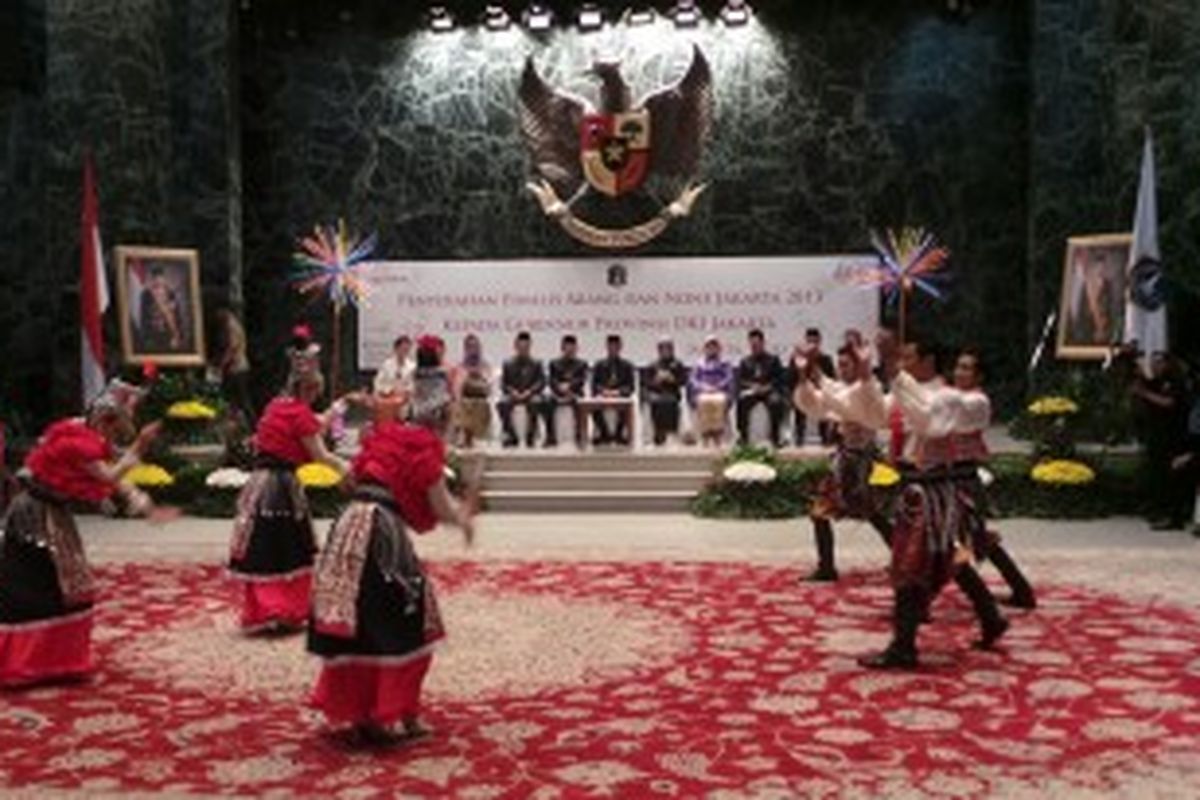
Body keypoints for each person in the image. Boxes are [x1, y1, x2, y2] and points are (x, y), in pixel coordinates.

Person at [308, 354, 474, 745]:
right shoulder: (426, 447)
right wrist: (463, 518)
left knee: (359, 622)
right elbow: (440, 507)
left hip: (349, 525)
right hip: (381, 530)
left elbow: (350, 482)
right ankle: (392, 713)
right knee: (407, 621)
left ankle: (361, 714)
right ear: (441, 419)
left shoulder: (385, 437)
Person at [1, 380, 169, 688]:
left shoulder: (80, 428)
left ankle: (53, 661)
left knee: (64, 585)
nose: (116, 435)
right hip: (37, 515)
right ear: (105, 420)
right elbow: (109, 474)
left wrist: (142, 503)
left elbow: (112, 469)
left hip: (50, 513)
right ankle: (27, 662)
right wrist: (139, 447)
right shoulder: (78, 443)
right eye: (117, 427)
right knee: (41, 584)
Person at [859, 342, 1010, 670]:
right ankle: (989, 617)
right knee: (950, 558)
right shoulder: (914, 394)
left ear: (928, 361)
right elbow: (869, 413)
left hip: (936, 493)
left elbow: (930, 420)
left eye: (908, 357)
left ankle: (904, 645)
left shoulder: (958, 399)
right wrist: (862, 377)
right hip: (919, 490)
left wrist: (895, 374)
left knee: (915, 563)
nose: (903, 363)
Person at [228, 326, 351, 633]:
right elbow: (320, 454)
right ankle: (282, 607)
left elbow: (303, 427)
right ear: (308, 389)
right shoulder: (300, 414)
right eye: (315, 392)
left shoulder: (275, 406)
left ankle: (262, 609)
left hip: (259, 483)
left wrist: (331, 414)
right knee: (286, 546)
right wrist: (349, 468)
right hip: (281, 485)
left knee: (263, 545)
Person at [793, 343, 892, 582]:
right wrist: (806, 369)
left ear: (858, 366)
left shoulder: (868, 390)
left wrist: (819, 377)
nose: (842, 369)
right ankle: (826, 566)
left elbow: (842, 399)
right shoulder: (841, 389)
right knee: (821, 513)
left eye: (847, 364)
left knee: (875, 514)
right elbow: (818, 396)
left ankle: (905, 560)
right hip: (845, 461)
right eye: (840, 365)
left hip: (864, 464)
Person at [1132, 351, 1191, 529]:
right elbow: (1145, 383)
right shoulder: (1157, 381)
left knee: (1170, 477)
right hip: (1157, 436)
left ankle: (1174, 517)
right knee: (1157, 476)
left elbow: (1169, 402)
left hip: (1173, 437)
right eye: (1153, 363)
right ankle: (1158, 511)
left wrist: (1144, 393)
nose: (1155, 366)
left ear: (1167, 364)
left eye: (1158, 363)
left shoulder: (1175, 381)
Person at [736, 329, 787, 448]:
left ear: (763, 343)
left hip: (769, 391)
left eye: (757, 344)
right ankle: (743, 437)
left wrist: (767, 387)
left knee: (776, 402)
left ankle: (775, 437)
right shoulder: (745, 361)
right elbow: (741, 380)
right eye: (752, 344)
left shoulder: (773, 360)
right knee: (741, 402)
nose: (754, 347)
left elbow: (779, 379)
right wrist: (751, 386)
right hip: (752, 391)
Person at [497, 331, 546, 448]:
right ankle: (510, 434)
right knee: (502, 403)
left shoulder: (537, 363)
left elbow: (541, 382)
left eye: (526, 347)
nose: (523, 349)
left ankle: (531, 435)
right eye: (521, 347)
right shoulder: (508, 363)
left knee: (536, 402)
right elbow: (503, 383)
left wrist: (529, 392)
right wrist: (512, 391)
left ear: (530, 346)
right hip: (514, 395)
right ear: (516, 346)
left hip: (530, 394)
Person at [789, 328, 836, 446]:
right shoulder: (797, 359)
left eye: (815, 342)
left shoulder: (826, 360)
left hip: (820, 392)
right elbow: (790, 379)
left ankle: (825, 438)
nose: (812, 346)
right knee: (800, 400)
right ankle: (799, 438)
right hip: (803, 393)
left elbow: (832, 379)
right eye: (809, 342)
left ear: (819, 342)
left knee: (824, 400)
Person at [542, 334, 588, 448]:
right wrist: (559, 389)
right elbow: (551, 381)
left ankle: (579, 436)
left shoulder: (582, 364)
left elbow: (581, 381)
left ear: (576, 348)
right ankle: (550, 436)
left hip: (575, 393)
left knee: (580, 403)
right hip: (557, 393)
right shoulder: (554, 363)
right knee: (546, 402)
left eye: (572, 347)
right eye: (567, 347)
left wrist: (570, 388)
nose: (570, 349)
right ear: (562, 348)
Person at [591, 334, 636, 446]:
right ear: (606, 347)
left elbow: (630, 387)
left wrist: (618, 392)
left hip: (620, 397)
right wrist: (604, 392)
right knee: (594, 408)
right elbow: (594, 385)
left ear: (620, 347)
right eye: (611, 346)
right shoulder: (599, 365)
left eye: (616, 346)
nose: (613, 349)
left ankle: (619, 434)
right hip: (603, 397)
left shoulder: (627, 366)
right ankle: (603, 434)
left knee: (625, 406)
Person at [689, 336, 734, 447]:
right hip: (703, 391)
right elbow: (693, 379)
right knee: (703, 401)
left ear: (718, 348)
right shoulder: (699, 364)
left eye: (714, 346)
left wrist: (718, 386)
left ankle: (717, 434)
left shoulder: (724, 363)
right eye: (709, 346)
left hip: (719, 391)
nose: (711, 349)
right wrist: (704, 387)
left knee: (718, 401)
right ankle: (705, 434)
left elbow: (729, 377)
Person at [215, 307, 255, 429]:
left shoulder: (230, 325)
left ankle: (252, 426)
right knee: (240, 399)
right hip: (240, 366)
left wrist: (221, 364)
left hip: (237, 368)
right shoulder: (235, 324)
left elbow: (232, 347)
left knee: (240, 399)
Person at [449, 334, 492, 449]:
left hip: (481, 397)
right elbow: (457, 386)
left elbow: (488, 385)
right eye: (470, 347)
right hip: (464, 397)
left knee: (477, 405)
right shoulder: (460, 365)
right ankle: (465, 437)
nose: (473, 349)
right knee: (461, 405)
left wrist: (480, 375)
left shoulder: (485, 365)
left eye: (475, 346)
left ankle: (474, 437)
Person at [643, 338, 689, 446]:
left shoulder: (678, 364)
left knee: (670, 402)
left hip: (672, 393)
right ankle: (658, 433)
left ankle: (672, 431)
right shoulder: (653, 365)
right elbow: (646, 383)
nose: (665, 351)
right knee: (657, 402)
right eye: (663, 348)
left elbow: (683, 381)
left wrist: (672, 379)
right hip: (656, 393)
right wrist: (656, 381)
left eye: (668, 348)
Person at [138, 266, 189, 353]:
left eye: (161, 279)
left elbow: (177, 317)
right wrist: (146, 338)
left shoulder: (170, 294)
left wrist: (178, 336)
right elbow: (144, 317)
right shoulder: (146, 295)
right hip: (152, 336)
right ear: (152, 280)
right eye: (156, 279)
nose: (158, 281)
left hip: (168, 334)